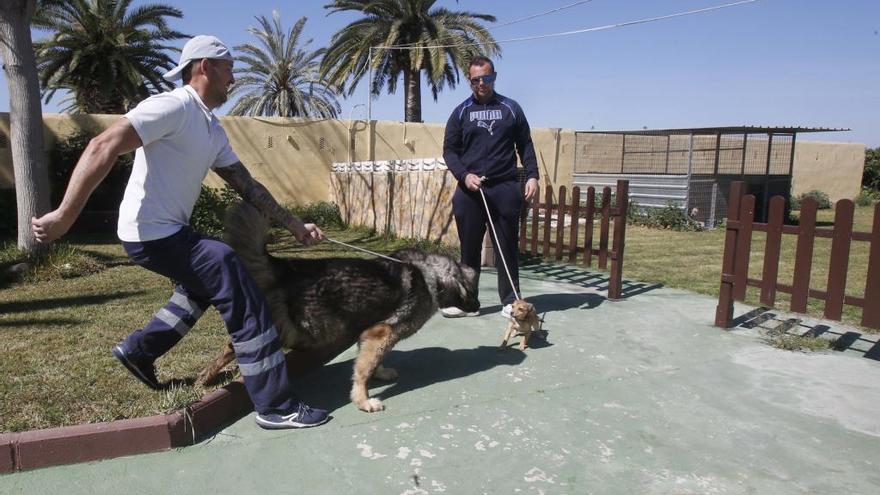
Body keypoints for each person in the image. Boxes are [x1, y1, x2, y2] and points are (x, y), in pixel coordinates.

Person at [31, 35, 329, 430]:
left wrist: (295, 225)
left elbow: (248, 185)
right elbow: (103, 144)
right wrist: (66, 215)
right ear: (204, 66)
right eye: (229, 68)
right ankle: (276, 406)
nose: (234, 78)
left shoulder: (211, 128)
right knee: (232, 275)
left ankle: (139, 350)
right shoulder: (171, 106)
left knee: (200, 287)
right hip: (150, 232)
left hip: (166, 231)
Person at [441, 56, 540, 319]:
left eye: (487, 78)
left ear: (494, 76)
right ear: (470, 80)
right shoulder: (461, 112)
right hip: (470, 191)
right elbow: (450, 151)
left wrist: (532, 176)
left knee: (506, 246)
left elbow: (526, 145)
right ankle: (468, 303)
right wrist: (464, 176)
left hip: (505, 187)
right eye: (476, 79)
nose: (482, 83)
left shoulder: (511, 108)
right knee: (469, 249)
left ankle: (510, 301)